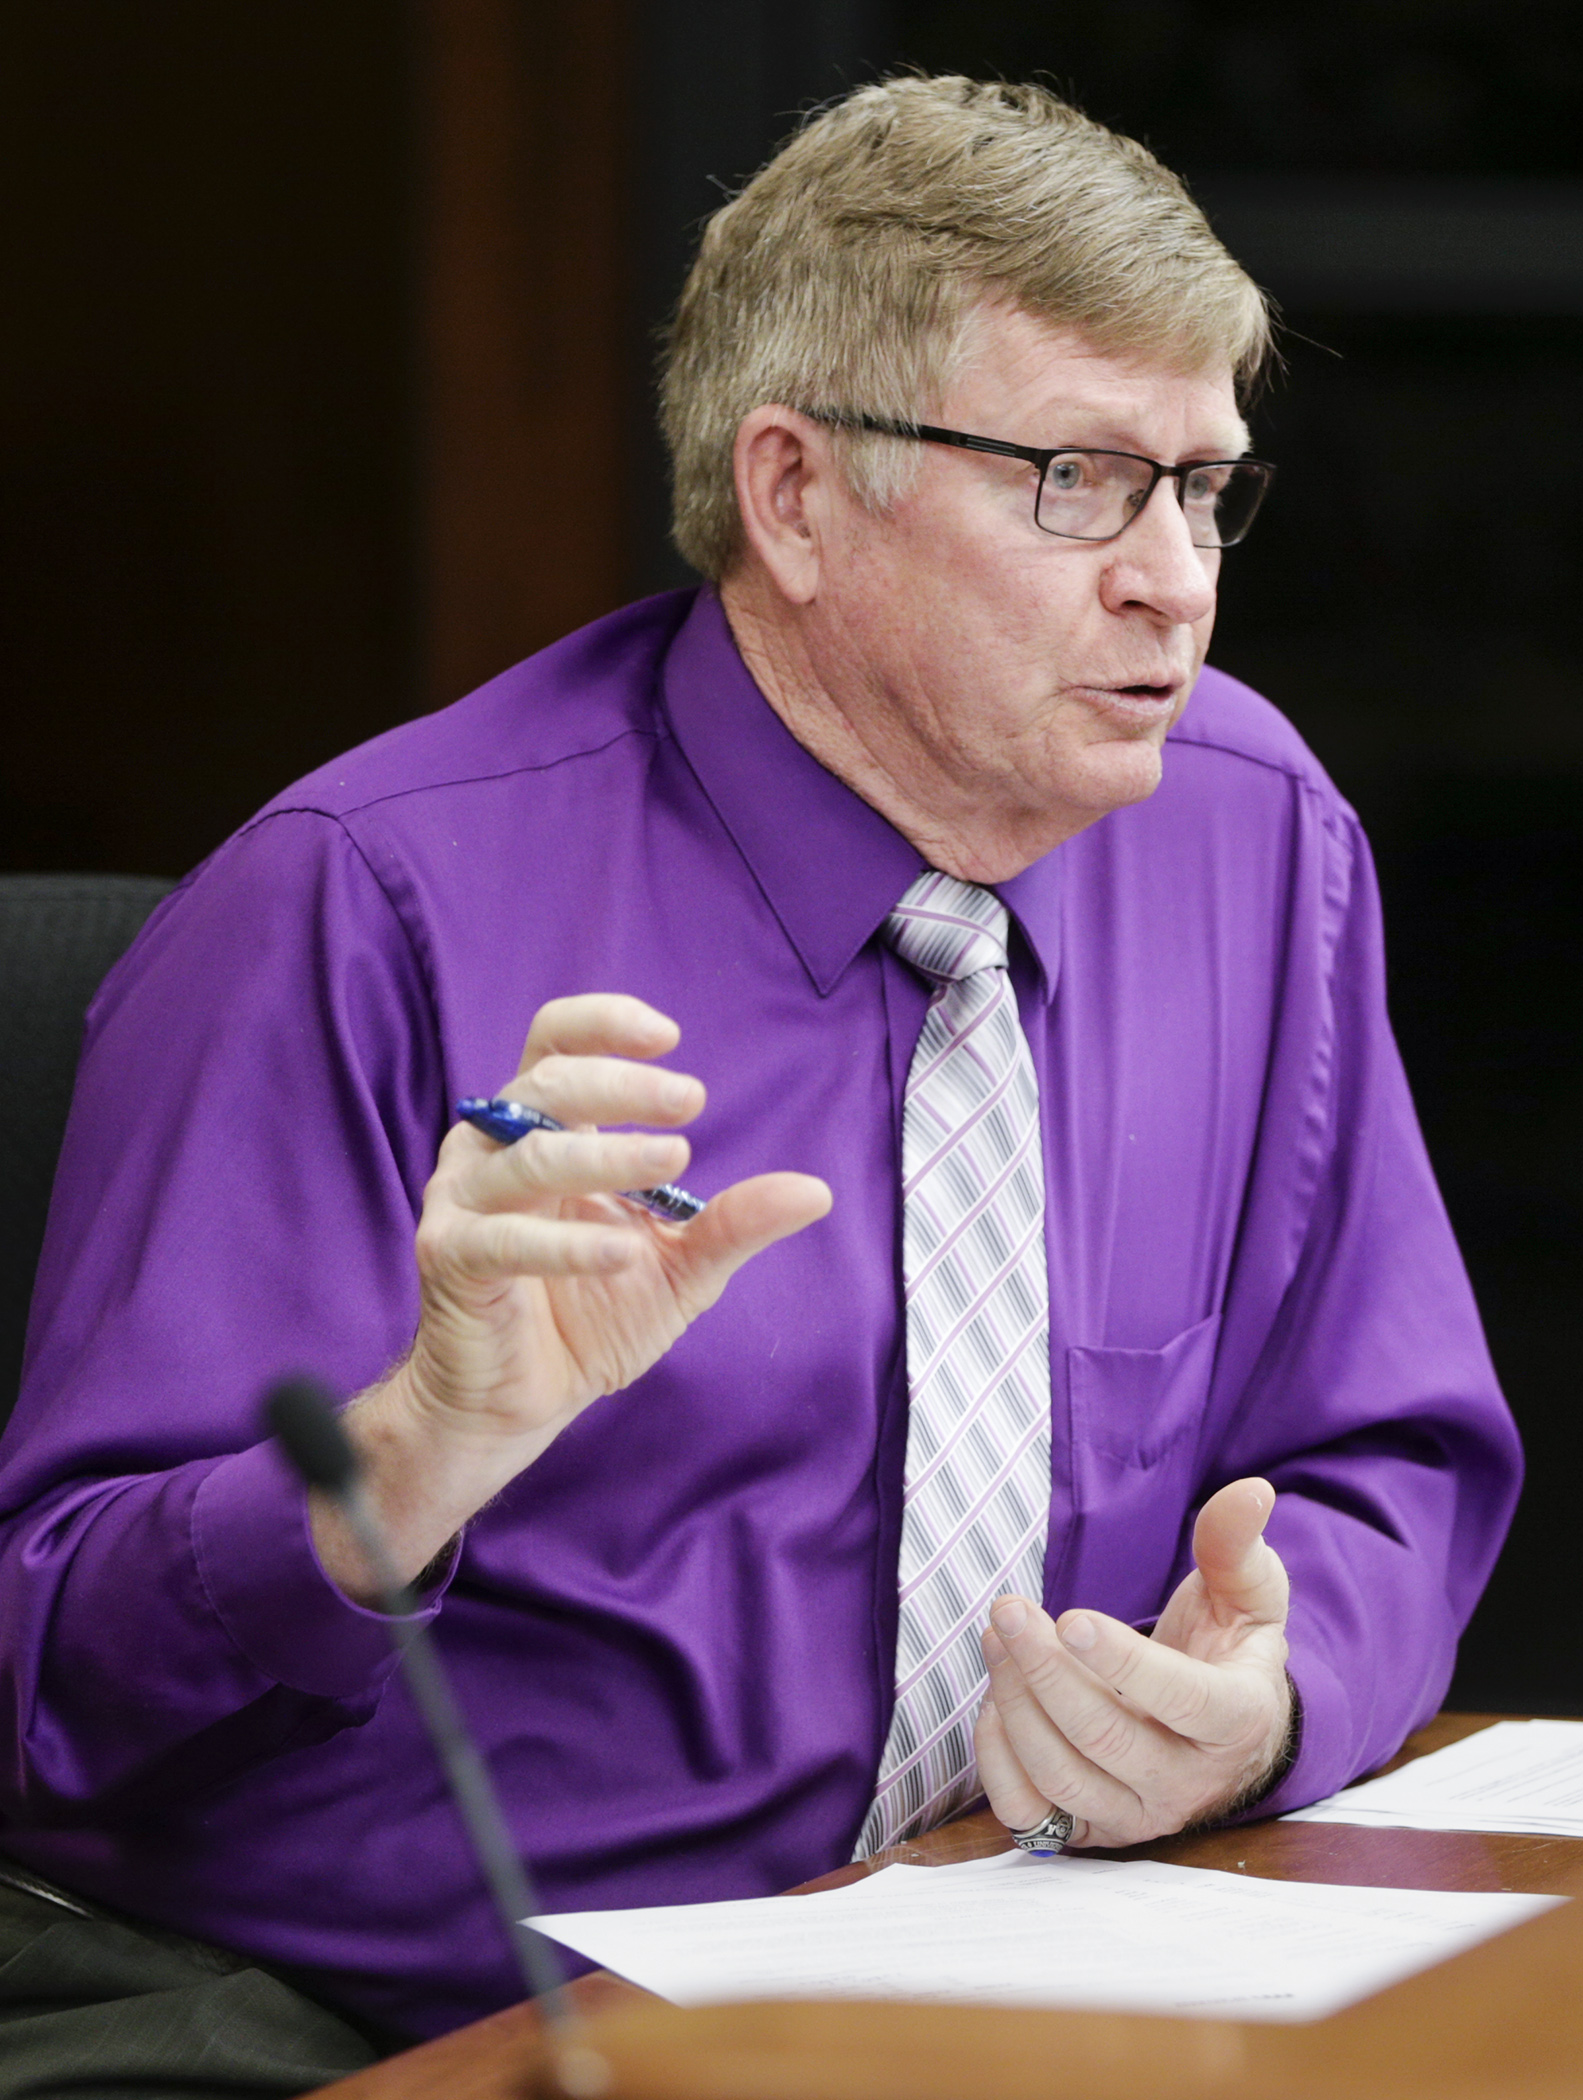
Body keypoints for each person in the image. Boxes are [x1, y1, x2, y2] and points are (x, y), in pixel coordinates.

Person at [0, 73, 1519, 2088]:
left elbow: (1387, 1449)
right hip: (398, 2025)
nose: (1173, 576)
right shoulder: (357, 909)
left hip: (1014, 1971)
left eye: (1201, 484)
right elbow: (45, 1670)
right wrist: (399, 1466)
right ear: (798, 495)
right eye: (1078, 479)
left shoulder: (1251, 834)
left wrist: (1270, 1694)